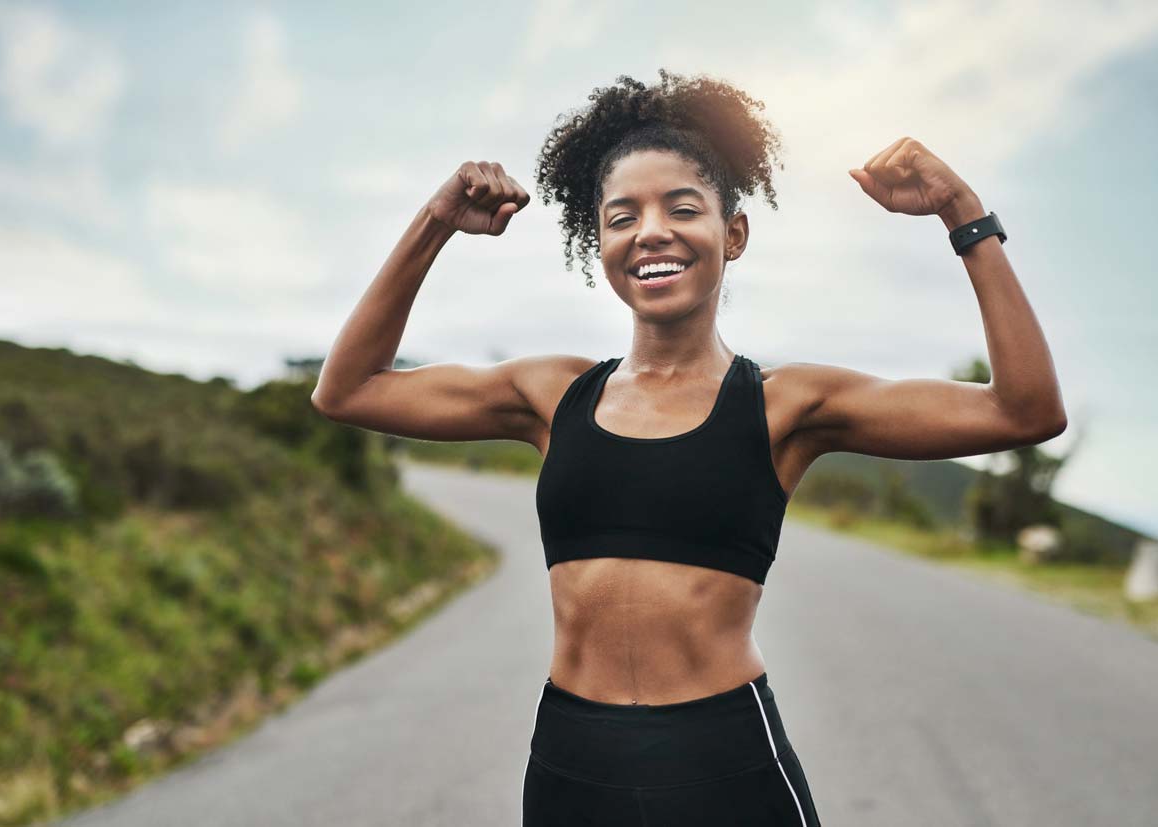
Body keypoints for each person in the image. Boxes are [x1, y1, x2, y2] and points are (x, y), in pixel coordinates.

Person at [310, 69, 1067, 826]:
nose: (651, 232)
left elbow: (1023, 411)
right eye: (620, 216)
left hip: (723, 764)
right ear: (597, 242)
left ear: (731, 233)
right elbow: (347, 390)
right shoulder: (550, 395)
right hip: (572, 764)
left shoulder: (786, 405)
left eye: (682, 207)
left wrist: (963, 215)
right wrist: (434, 222)